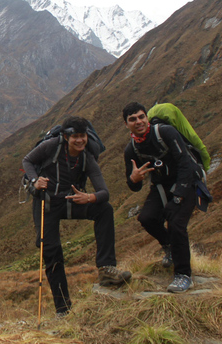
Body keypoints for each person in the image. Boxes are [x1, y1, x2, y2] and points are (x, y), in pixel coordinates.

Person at [22, 116, 131, 316]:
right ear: (65, 136)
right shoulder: (51, 146)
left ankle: (107, 269)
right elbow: (27, 160)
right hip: (46, 202)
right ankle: (63, 309)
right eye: (75, 137)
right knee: (51, 250)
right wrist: (35, 181)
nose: (80, 141)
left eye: (83, 136)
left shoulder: (86, 157)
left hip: (73, 200)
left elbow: (104, 192)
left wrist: (90, 197)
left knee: (104, 209)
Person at [122, 102, 199, 293]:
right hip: (161, 187)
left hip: (187, 182)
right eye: (133, 119)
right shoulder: (131, 150)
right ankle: (169, 247)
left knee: (176, 224)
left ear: (146, 117)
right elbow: (134, 186)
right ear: (126, 124)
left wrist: (178, 197)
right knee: (147, 218)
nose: (138, 122)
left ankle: (183, 275)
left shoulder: (166, 133)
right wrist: (134, 179)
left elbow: (185, 164)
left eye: (141, 117)